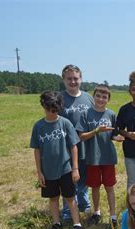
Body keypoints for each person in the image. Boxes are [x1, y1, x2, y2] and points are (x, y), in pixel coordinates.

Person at [30, 91, 83, 229]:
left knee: (70, 198)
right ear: (43, 106)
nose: (52, 113)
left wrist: (75, 168)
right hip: (48, 171)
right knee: (53, 198)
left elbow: (74, 147)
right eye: (49, 110)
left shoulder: (65, 123)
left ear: (59, 108)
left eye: (55, 110)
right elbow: (37, 150)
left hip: (66, 169)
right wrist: (39, 172)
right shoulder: (38, 126)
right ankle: (56, 223)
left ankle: (77, 225)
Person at [76, 84, 124, 229]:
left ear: (108, 99)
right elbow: (82, 136)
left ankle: (113, 216)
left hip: (108, 157)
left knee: (109, 186)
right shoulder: (86, 114)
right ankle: (96, 212)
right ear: (93, 97)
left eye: (104, 97)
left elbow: (114, 134)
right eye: (98, 96)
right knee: (95, 187)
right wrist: (96, 130)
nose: (101, 99)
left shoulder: (111, 115)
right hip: (92, 157)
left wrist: (118, 138)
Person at [59, 64, 92, 220]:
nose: (73, 82)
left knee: (84, 176)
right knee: (68, 178)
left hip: (85, 145)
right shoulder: (60, 99)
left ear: (81, 79)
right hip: (66, 147)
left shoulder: (88, 98)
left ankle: (84, 205)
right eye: (69, 79)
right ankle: (67, 211)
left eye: (76, 78)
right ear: (63, 80)